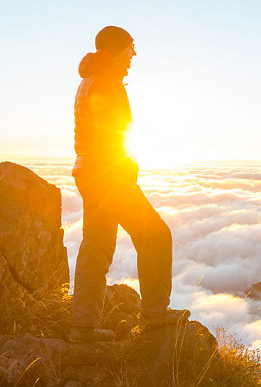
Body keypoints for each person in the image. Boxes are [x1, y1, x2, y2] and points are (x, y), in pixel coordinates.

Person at [69, 26, 188, 342]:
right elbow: (111, 135)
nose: (134, 53)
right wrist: (126, 169)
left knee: (96, 246)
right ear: (115, 49)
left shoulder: (90, 79)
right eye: (131, 47)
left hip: (89, 173)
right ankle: (154, 313)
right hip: (108, 176)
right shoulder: (107, 81)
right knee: (156, 236)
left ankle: (82, 327)